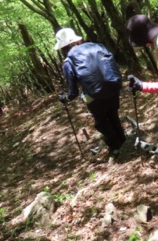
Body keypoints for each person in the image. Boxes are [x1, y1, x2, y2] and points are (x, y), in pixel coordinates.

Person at [54, 27, 127, 155]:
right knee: (113, 116)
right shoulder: (96, 47)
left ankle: (116, 148)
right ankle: (124, 142)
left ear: (63, 47)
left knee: (102, 123)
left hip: (94, 97)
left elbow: (73, 93)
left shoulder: (68, 62)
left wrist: (64, 98)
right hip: (113, 88)